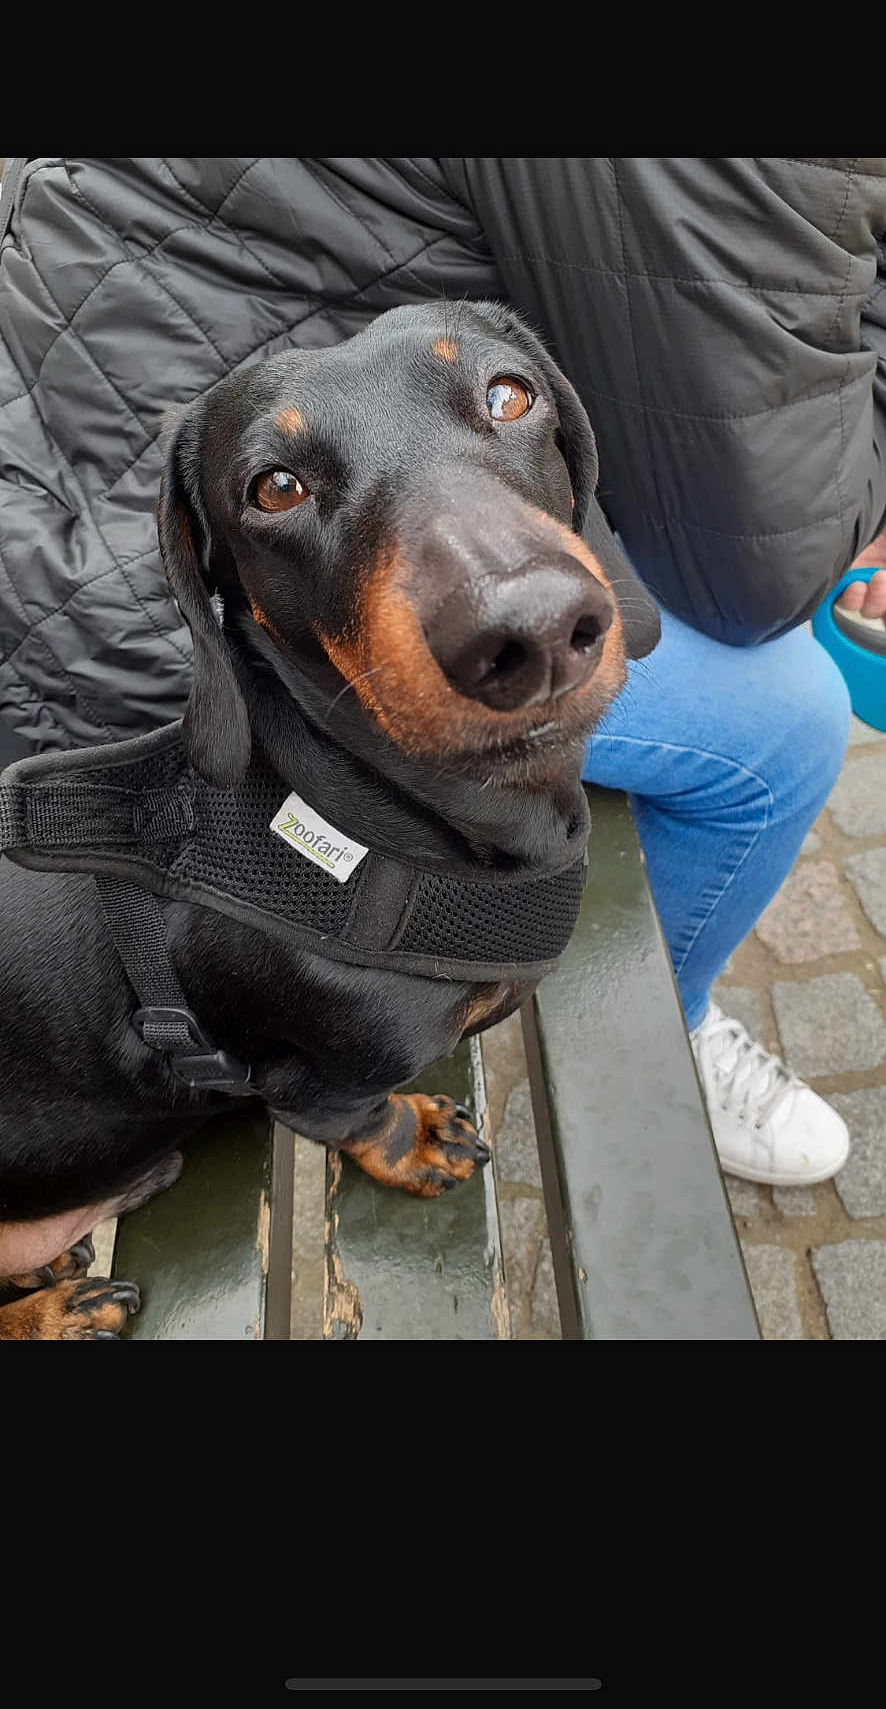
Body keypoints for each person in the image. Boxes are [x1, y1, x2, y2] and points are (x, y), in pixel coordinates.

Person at [0, 157, 884, 1186]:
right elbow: (301, 1082)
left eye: (505, 400)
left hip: (55, 442)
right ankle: (657, 1032)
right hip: (71, 606)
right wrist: (379, 1129)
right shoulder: (355, 980)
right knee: (784, 732)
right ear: (214, 591)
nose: (528, 628)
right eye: (278, 488)